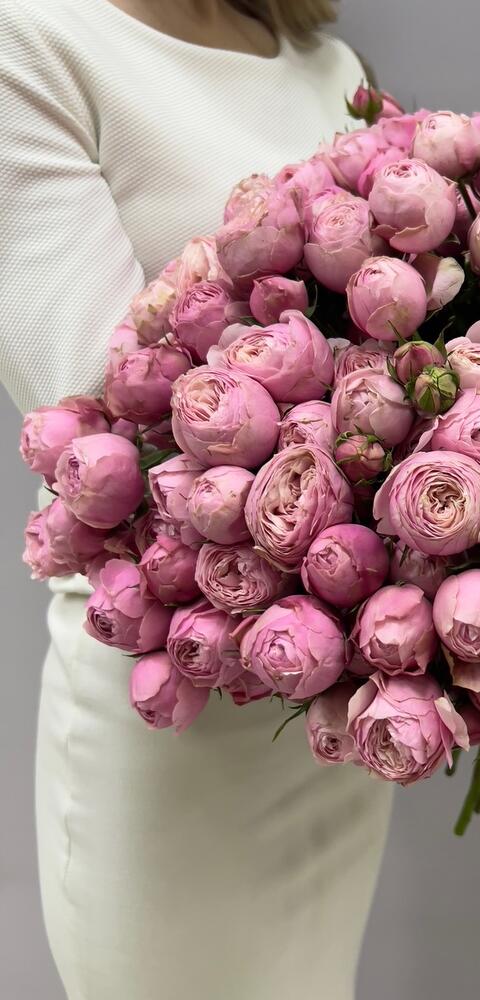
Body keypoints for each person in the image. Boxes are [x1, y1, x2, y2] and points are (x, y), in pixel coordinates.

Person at [0, 2, 394, 997]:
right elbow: (99, 426)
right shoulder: (34, 41)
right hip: (172, 691)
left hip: (329, 701)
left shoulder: (323, 63)